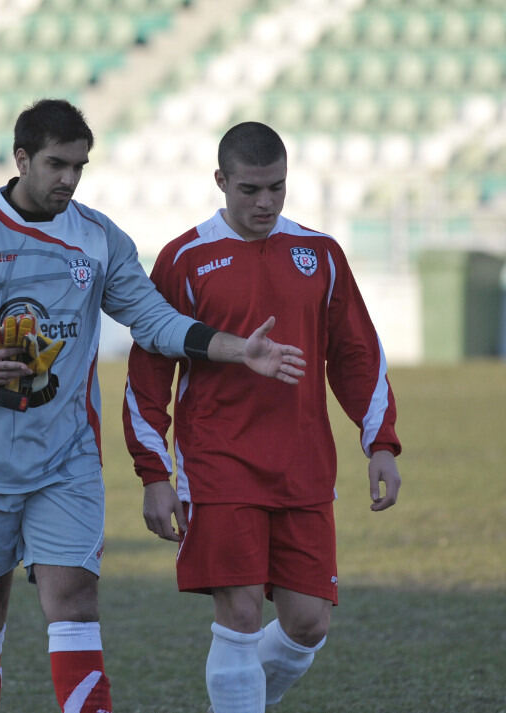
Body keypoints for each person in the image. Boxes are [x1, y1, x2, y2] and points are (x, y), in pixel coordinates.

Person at [0, 100, 307, 713]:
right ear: (21, 160)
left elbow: (153, 321)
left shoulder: (96, 238)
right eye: (55, 164)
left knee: (74, 604)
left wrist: (233, 349)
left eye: (79, 166)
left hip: (66, 458)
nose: (68, 178)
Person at [122, 121, 402, 713]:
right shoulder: (184, 258)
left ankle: (236, 698)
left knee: (307, 624)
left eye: (277, 187)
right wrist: (153, 474)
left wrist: (380, 441)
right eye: (250, 189)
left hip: (303, 466)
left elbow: (357, 353)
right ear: (221, 181)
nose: (265, 202)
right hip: (219, 462)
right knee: (241, 611)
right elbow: (149, 371)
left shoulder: (321, 254)